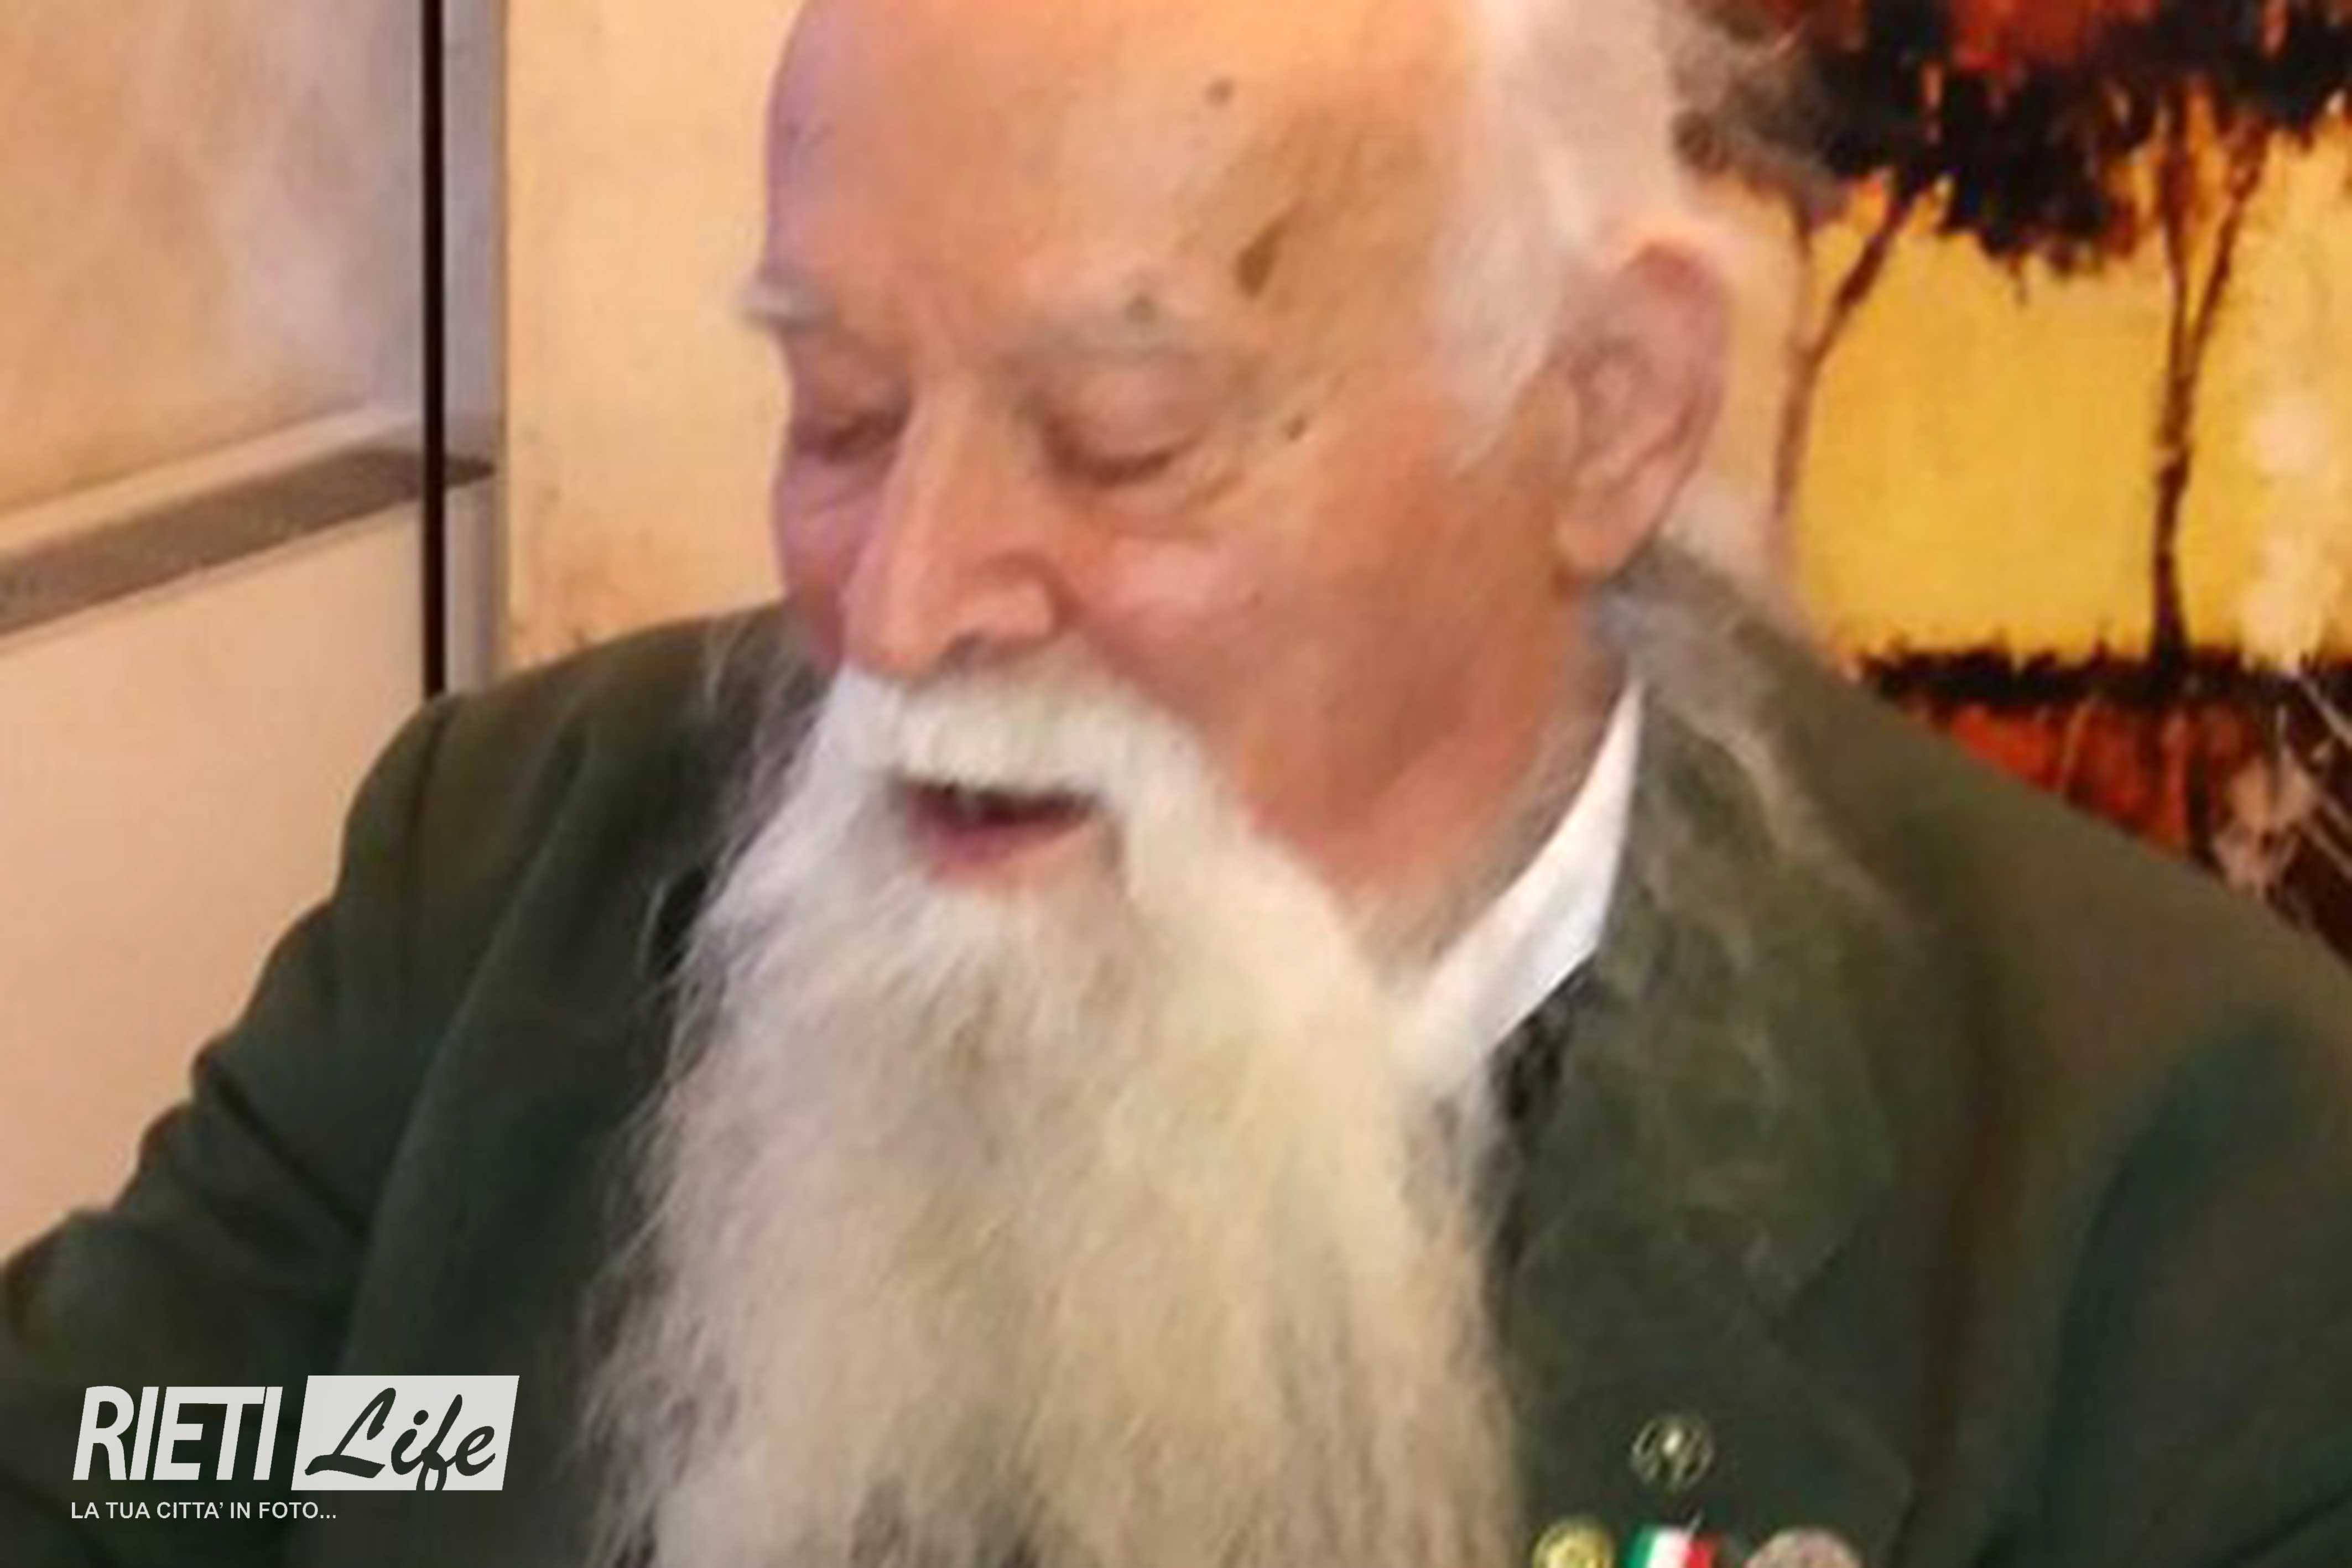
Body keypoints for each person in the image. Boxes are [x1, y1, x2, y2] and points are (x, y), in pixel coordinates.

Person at [7, 0, 2352, 1563]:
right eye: (836, 412)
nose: (899, 605)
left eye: (1120, 441)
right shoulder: (516, 859)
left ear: (1603, 413)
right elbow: (141, 1468)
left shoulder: (2175, 1191)